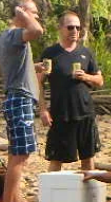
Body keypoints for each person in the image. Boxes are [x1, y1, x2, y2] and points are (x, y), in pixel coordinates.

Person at [0, 0, 44, 202]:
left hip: (15, 97)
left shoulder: (6, 37)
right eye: (33, 12)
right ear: (22, 13)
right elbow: (37, 31)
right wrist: (23, 14)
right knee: (21, 155)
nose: (36, 17)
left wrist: (30, 68)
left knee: (16, 153)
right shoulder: (15, 33)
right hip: (19, 98)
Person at [38, 11, 104, 172]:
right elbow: (38, 83)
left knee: (88, 157)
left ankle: (89, 195)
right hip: (60, 114)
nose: (74, 31)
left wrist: (86, 76)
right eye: (70, 27)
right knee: (56, 158)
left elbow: (100, 81)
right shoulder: (50, 53)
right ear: (60, 29)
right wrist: (43, 110)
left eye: (77, 27)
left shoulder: (85, 53)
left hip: (85, 112)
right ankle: (51, 194)